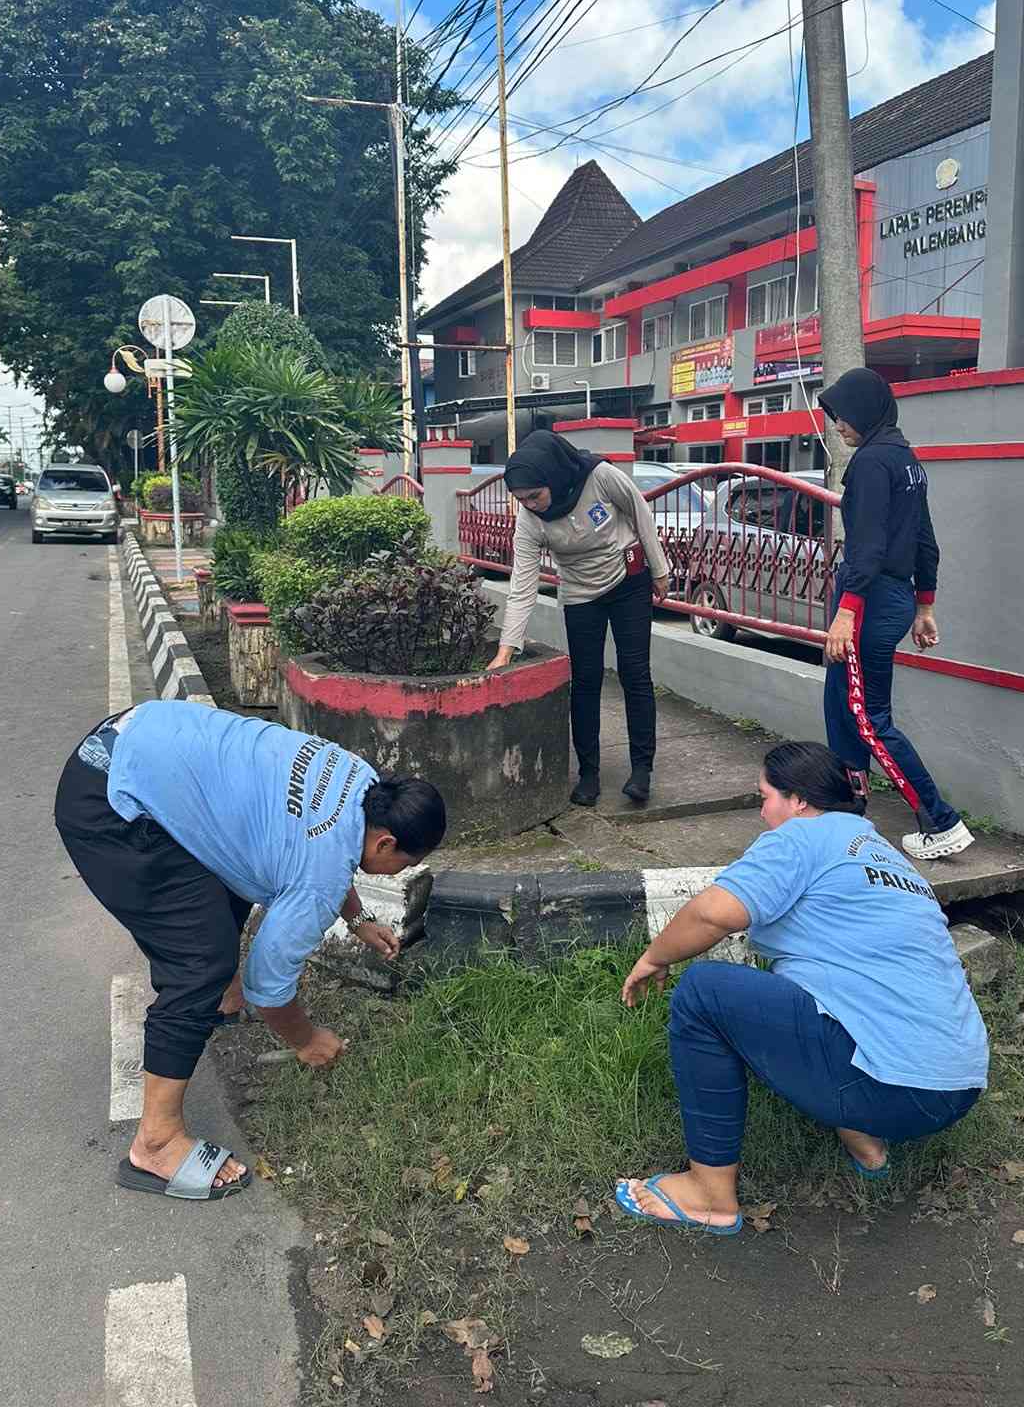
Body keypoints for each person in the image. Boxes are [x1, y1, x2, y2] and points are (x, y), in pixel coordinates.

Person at [54, 699, 446, 1203]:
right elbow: (270, 986)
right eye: (402, 865)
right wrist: (306, 1039)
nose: (396, 874)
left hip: (133, 737)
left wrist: (358, 917)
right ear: (388, 842)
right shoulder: (322, 877)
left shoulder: (363, 781)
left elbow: (324, 850)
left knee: (235, 881)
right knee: (200, 965)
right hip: (112, 803)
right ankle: (155, 1143)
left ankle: (216, 996)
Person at [615, 741, 987, 1234]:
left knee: (703, 991)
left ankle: (709, 1194)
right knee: (817, 989)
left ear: (799, 801)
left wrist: (652, 957)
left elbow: (713, 913)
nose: (762, 810)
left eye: (764, 796)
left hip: (892, 1084)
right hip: (956, 1086)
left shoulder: (801, 839)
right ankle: (868, 1144)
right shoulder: (889, 858)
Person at [817, 366, 973, 861]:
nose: (837, 425)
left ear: (865, 410)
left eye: (842, 415)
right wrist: (924, 605)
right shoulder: (906, 459)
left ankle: (940, 821)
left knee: (868, 717)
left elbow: (867, 547)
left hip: (869, 599)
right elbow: (925, 540)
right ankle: (849, 805)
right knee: (841, 700)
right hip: (893, 595)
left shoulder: (871, 464)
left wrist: (847, 612)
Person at [487, 429, 669, 806]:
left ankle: (641, 770)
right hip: (580, 593)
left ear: (552, 475)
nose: (531, 505)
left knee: (635, 674)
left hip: (627, 582)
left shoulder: (600, 476)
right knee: (585, 681)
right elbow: (522, 584)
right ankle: (589, 774)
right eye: (521, 500)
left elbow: (640, 513)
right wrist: (507, 649)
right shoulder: (529, 518)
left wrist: (659, 570)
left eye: (535, 495)